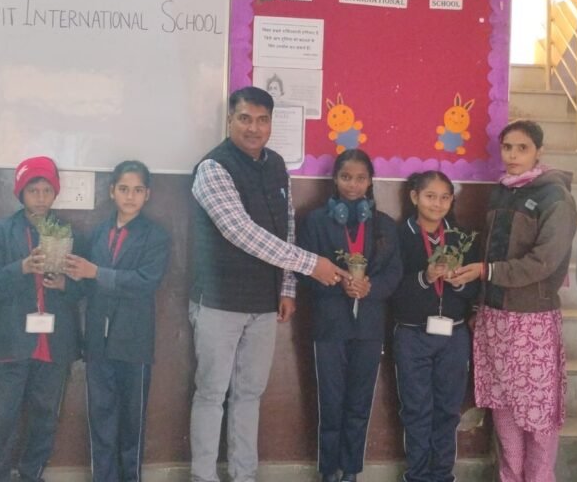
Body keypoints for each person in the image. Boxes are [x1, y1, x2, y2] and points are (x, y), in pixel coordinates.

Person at [188, 86, 348, 482]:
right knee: (211, 393)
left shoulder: (276, 164)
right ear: (230, 120)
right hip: (219, 302)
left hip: (263, 304)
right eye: (245, 118)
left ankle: (244, 475)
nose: (253, 128)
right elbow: (240, 232)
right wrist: (310, 265)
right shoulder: (212, 168)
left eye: (262, 120)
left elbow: (286, 224)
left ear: (271, 124)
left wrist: (288, 287)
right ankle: (203, 476)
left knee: (249, 394)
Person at [448, 120, 577, 482]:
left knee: (536, 414)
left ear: (539, 152)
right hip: (495, 317)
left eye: (522, 148)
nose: (513, 155)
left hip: (532, 320)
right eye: (507, 147)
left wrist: (487, 272)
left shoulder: (556, 197)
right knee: (503, 406)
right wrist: (480, 304)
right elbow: (489, 251)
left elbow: (543, 262)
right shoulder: (502, 192)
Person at [297, 149, 402, 482]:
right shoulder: (315, 221)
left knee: (359, 402)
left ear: (370, 181)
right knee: (330, 402)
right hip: (329, 324)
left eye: (360, 178)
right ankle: (329, 470)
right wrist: (336, 282)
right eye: (345, 177)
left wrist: (371, 287)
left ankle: (351, 470)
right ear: (335, 179)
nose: (353, 185)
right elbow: (303, 271)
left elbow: (395, 272)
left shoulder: (384, 225)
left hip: (369, 326)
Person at [63, 160, 170, 482]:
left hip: (134, 341)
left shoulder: (156, 235)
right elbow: (86, 284)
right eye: (124, 189)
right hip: (98, 340)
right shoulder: (98, 232)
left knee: (131, 421)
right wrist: (66, 283)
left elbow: (145, 281)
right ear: (111, 191)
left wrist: (96, 272)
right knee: (101, 418)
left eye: (137, 190)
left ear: (147, 194)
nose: (130, 196)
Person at [0, 156, 81, 482]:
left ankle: (31, 474)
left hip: (54, 342)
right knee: (4, 417)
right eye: (33, 190)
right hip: (11, 341)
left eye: (46, 190)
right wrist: (21, 268)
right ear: (20, 192)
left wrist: (66, 285)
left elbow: (85, 287)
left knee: (46, 416)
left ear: (55, 193)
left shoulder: (68, 232)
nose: (40, 197)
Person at [392, 170, 479, 482]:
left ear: (452, 200)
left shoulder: (461, 237)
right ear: (415, 197)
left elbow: (476, 289)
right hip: (411, 333)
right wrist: (424, 278)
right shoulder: (398, 236)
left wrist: (459, 282)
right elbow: (390, 288)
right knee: (416, 409)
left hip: (454, 334)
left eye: (444, 197)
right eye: (430, 196)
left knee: (448, 410)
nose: (437, 203)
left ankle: (442, 475)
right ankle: (417, 476)